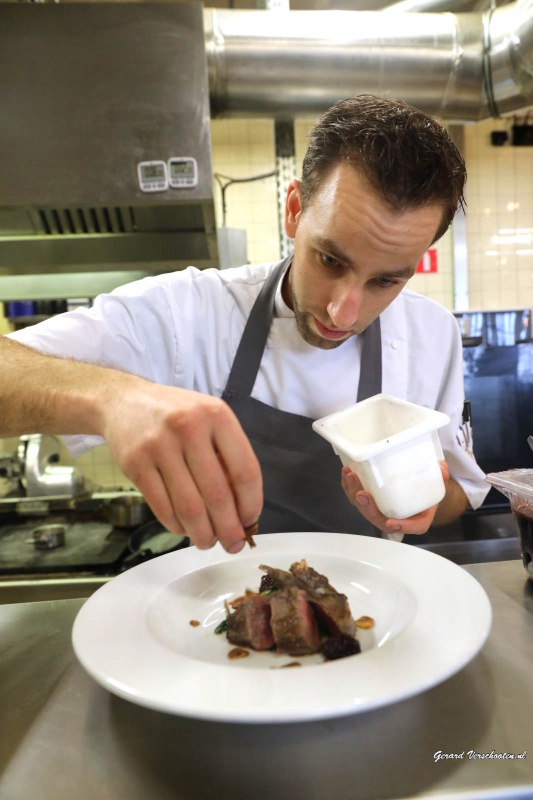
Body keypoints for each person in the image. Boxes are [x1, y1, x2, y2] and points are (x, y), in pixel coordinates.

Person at [0, 95, 488, 554]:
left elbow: (460, 489)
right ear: (294, 210)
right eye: (330, 260)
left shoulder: (432, 334)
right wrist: (113, 399)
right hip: (216, 613)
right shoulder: (188, 312)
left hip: (364, 614)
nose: (344, 312)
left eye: (386, 281)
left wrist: (420, 504)